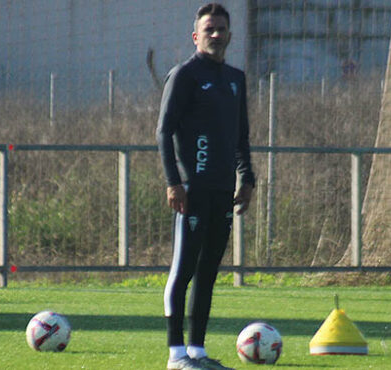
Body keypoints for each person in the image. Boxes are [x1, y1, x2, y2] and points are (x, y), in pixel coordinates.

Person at [156, 3, 256, 370]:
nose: (216, 34)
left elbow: (240, 136)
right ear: (195, 36)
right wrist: (174, 182)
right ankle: (175, 354)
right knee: (183, 270)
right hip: (192, 190)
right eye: (209, 29)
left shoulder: (235, 78)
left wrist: (246, 178)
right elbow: (164, 131)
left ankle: (197, 351)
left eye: (221, 29)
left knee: (210, 270)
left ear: (230, 34)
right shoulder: (185, 75)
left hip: (221, 192)